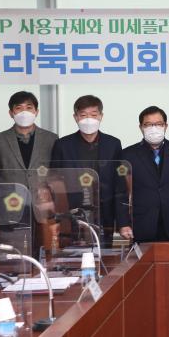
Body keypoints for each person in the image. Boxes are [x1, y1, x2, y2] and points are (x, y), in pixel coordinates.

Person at [50, 95, 129, 246]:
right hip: (71, 215)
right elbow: (54, 184)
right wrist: (55, 219)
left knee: (103, 255)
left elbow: (120, 186)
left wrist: (123, 222)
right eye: (83, 115)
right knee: (71, 256)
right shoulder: (62, 145)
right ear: (75, 117)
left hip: (104, 215)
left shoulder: (113, 144)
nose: (89, 120)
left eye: (93, 115)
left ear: (101, 116)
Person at [0, 91, 58, 253]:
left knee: (45, 259)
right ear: (11, 113)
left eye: (29, 108)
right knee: (12, 259)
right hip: (10, 210)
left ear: (36, 111)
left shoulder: (51, 139)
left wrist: (58, 211)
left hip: (43, 210)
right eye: (19, 108)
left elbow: (56, 178)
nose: (24, 112)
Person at [120, 106, 169, 242]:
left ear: (165, 126)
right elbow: (121, 193)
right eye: (148, 125)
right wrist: (123, 223)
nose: (154, 128)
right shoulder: (127, 155)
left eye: (159, 124)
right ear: (141, 127)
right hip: (141, 225)